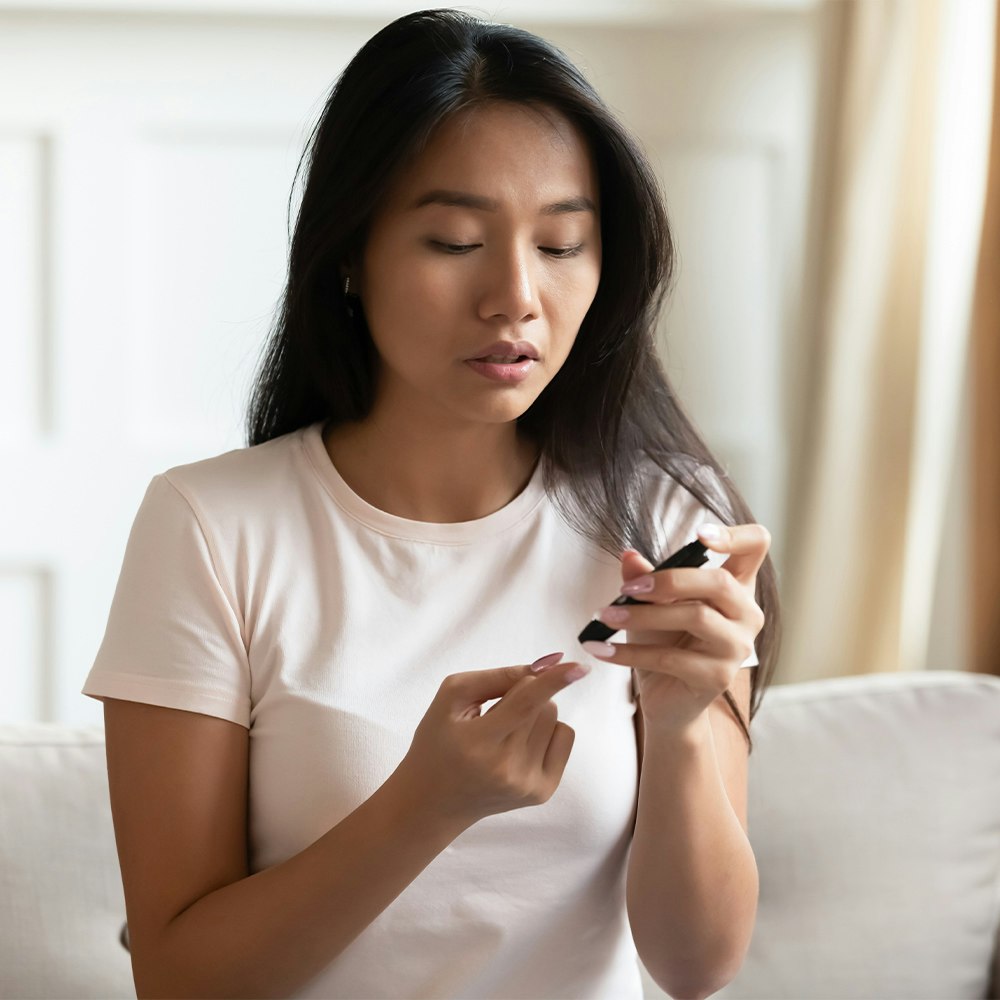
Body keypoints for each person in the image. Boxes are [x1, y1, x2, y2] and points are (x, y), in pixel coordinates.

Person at [83, 9, 780, 999]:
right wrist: (426, 804)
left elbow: (696, 966)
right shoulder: (212, 528)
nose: (515, 295)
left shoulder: (664, 522)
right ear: (349, 255)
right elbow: (179, 981)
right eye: (455, 241)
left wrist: (679, 728)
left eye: (562, 244)